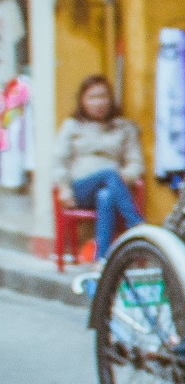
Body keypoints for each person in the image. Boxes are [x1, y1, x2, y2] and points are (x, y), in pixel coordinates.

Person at [54, 75, 144, 260]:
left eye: (103, 96)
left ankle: (101, 260)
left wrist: (124, 178)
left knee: (107, 196)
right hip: (80, 189)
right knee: (109, 173)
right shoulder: (72, 126)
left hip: (113, 187)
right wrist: (63, 188)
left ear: (111, 99)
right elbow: (59, 161)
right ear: (82, 101)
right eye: (92, 98)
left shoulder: (124, 128)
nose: (99, 103)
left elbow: (136, 163)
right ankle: (137, 225)